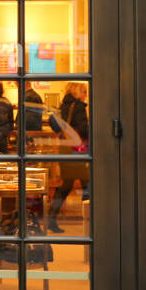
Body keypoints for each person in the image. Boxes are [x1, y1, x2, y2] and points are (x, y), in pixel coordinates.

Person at [46, 82, 90, 233]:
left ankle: (51, 220)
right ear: (77, 92)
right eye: (84, 91)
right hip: (77, 150)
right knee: (87, 184)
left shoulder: (63, 106)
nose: (86, 95)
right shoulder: (78, 107)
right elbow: (83, 129)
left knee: (68, 185)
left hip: (65, 148)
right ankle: (90, 220)